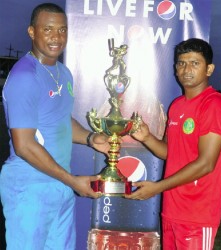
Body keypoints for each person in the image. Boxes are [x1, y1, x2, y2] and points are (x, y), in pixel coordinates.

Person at [0, 3, 109, 250]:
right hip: (29, 187)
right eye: (48, 29)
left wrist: (91, 138)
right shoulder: (24, 76)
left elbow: (60, 119)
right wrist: (72, 181)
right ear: (32, 32)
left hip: (59, 184)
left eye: (62, 30)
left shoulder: (63, 72)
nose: (56, 37)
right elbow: (24, 145)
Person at [125, 38, 221, 249]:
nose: (186, 69)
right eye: (181, 63)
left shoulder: (214, 104)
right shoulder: (177, 106)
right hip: (172, 210)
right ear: (175, 69)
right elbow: (169, 153)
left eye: (195, 63)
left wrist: (157, 188)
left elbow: (206, 163)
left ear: (209, 69)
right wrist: (147, 138)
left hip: (197, 214)